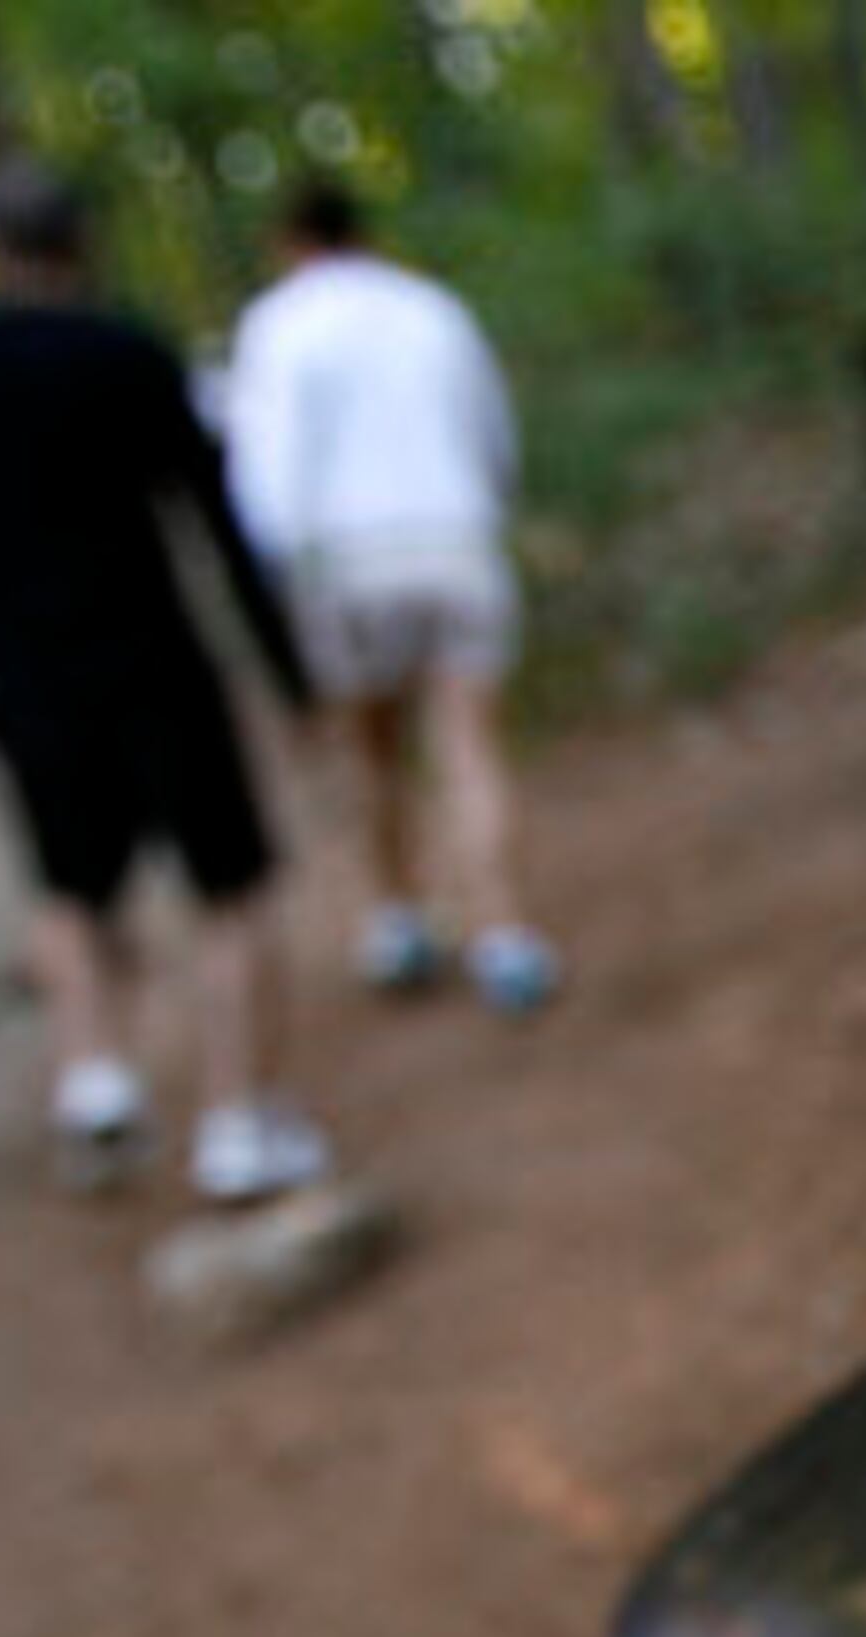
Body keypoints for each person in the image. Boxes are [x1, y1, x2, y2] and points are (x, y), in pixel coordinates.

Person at [0, 162, 333, 1204]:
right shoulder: (126, 353)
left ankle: (95, 1079)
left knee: (66, 888)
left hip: (29, 679)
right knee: (230, 889)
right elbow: (213, 522)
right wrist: (285, 668)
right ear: (80, 243)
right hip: (154, 658)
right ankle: (238, 1120)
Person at [226, 179, 557, 1015]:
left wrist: (278, 583)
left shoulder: (278, 324)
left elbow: (265, 477)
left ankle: (399, 915)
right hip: (455, 538)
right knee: (468, 743)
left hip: (348, 561)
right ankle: (505, 932)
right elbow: (493, 434)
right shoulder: (431, 309)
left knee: (373, 747)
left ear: (289, 240)